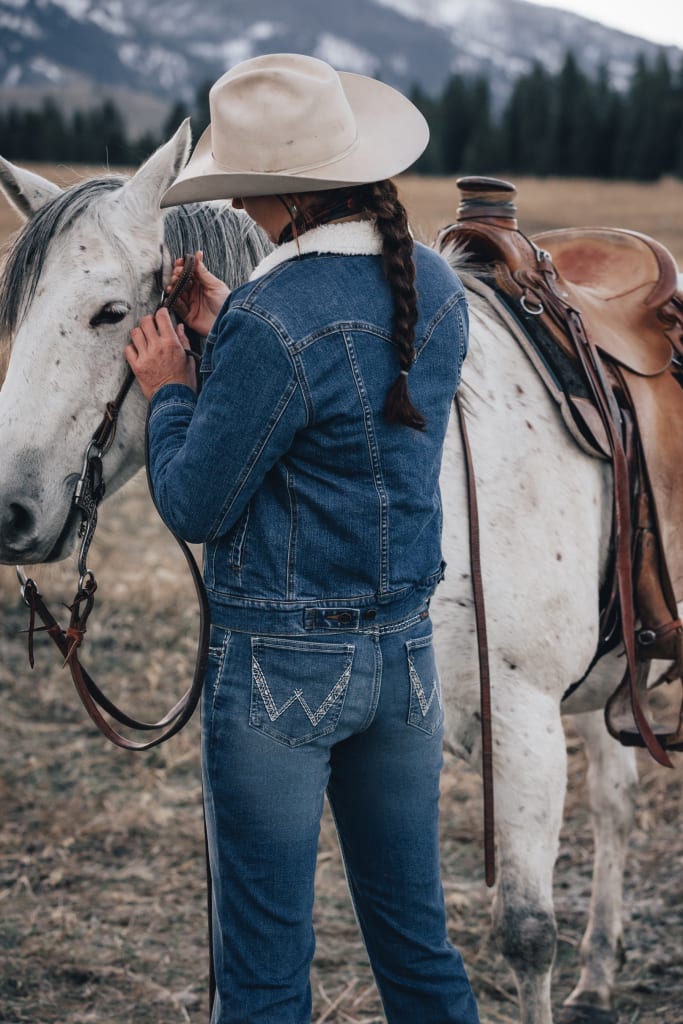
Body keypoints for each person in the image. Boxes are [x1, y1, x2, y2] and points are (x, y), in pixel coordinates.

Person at [125, 52, 478, 1024]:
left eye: (247, 193)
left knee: (266, 974)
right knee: (417, 948)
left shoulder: (274, 321)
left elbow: (197, 503)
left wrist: (173, 390)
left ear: (281, 193)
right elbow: (346, 378)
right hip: (401, 663)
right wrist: (231, 320)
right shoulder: (436, 289)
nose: (239, 213)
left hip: (281, 675)